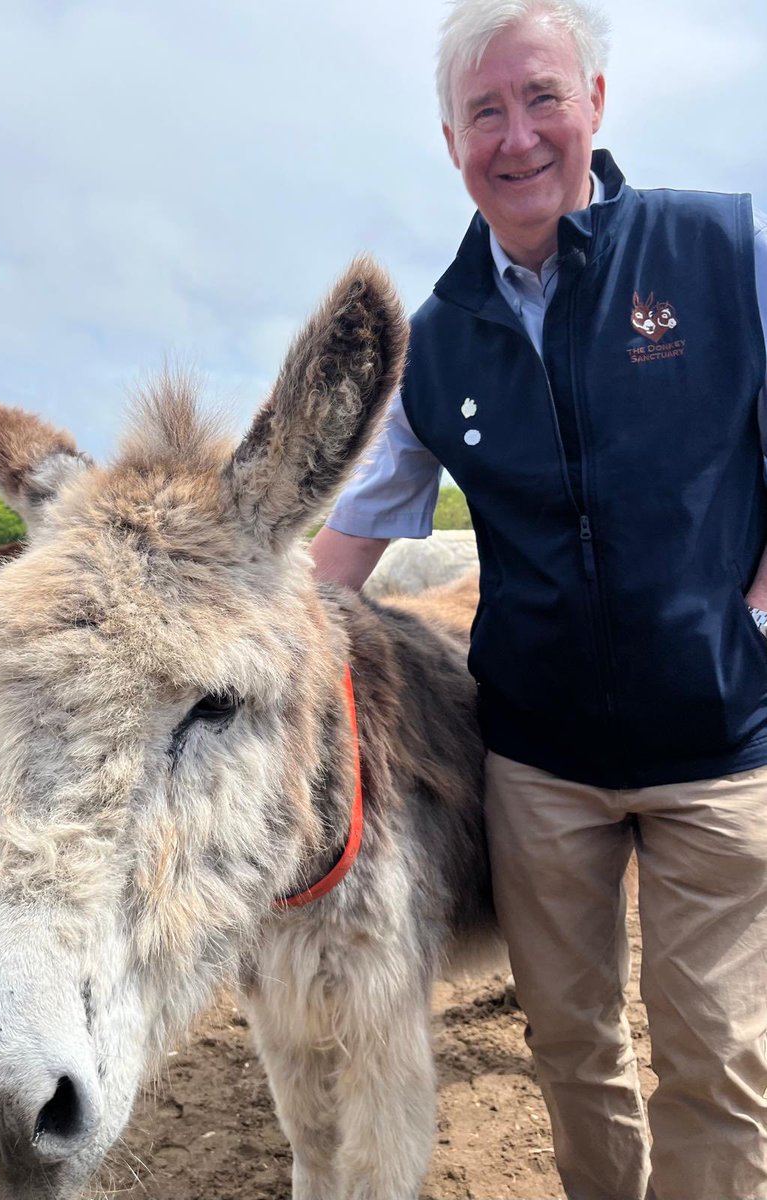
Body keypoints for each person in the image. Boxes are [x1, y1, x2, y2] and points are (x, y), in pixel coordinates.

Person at [310, 2, 767, 1198]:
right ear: (449, 138)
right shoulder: (438, 341)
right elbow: (353, 533)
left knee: (713, 1057)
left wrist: (751, 613)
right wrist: (232, 628)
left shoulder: (717, 251)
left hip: (715, 750)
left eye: (541, 97)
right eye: (482, 112)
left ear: (596, 105)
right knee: (569, 1047)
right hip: (536, 766)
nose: (515, 137)